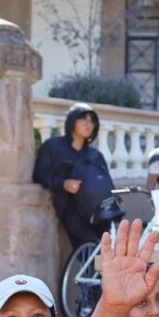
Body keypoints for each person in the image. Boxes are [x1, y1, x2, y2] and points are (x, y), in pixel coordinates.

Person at [32, 102, 114, 250]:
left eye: (92, 121)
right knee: (89, 246)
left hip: (98, 209)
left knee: (107, 245)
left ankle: (104, 273)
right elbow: (39, 174)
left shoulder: (95, 155)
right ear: (72, 121)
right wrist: (63, 184)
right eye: (84, 120)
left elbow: (106, 183)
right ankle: (91, 273)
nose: (89, 125)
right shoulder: (53, 147)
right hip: (71, 209)